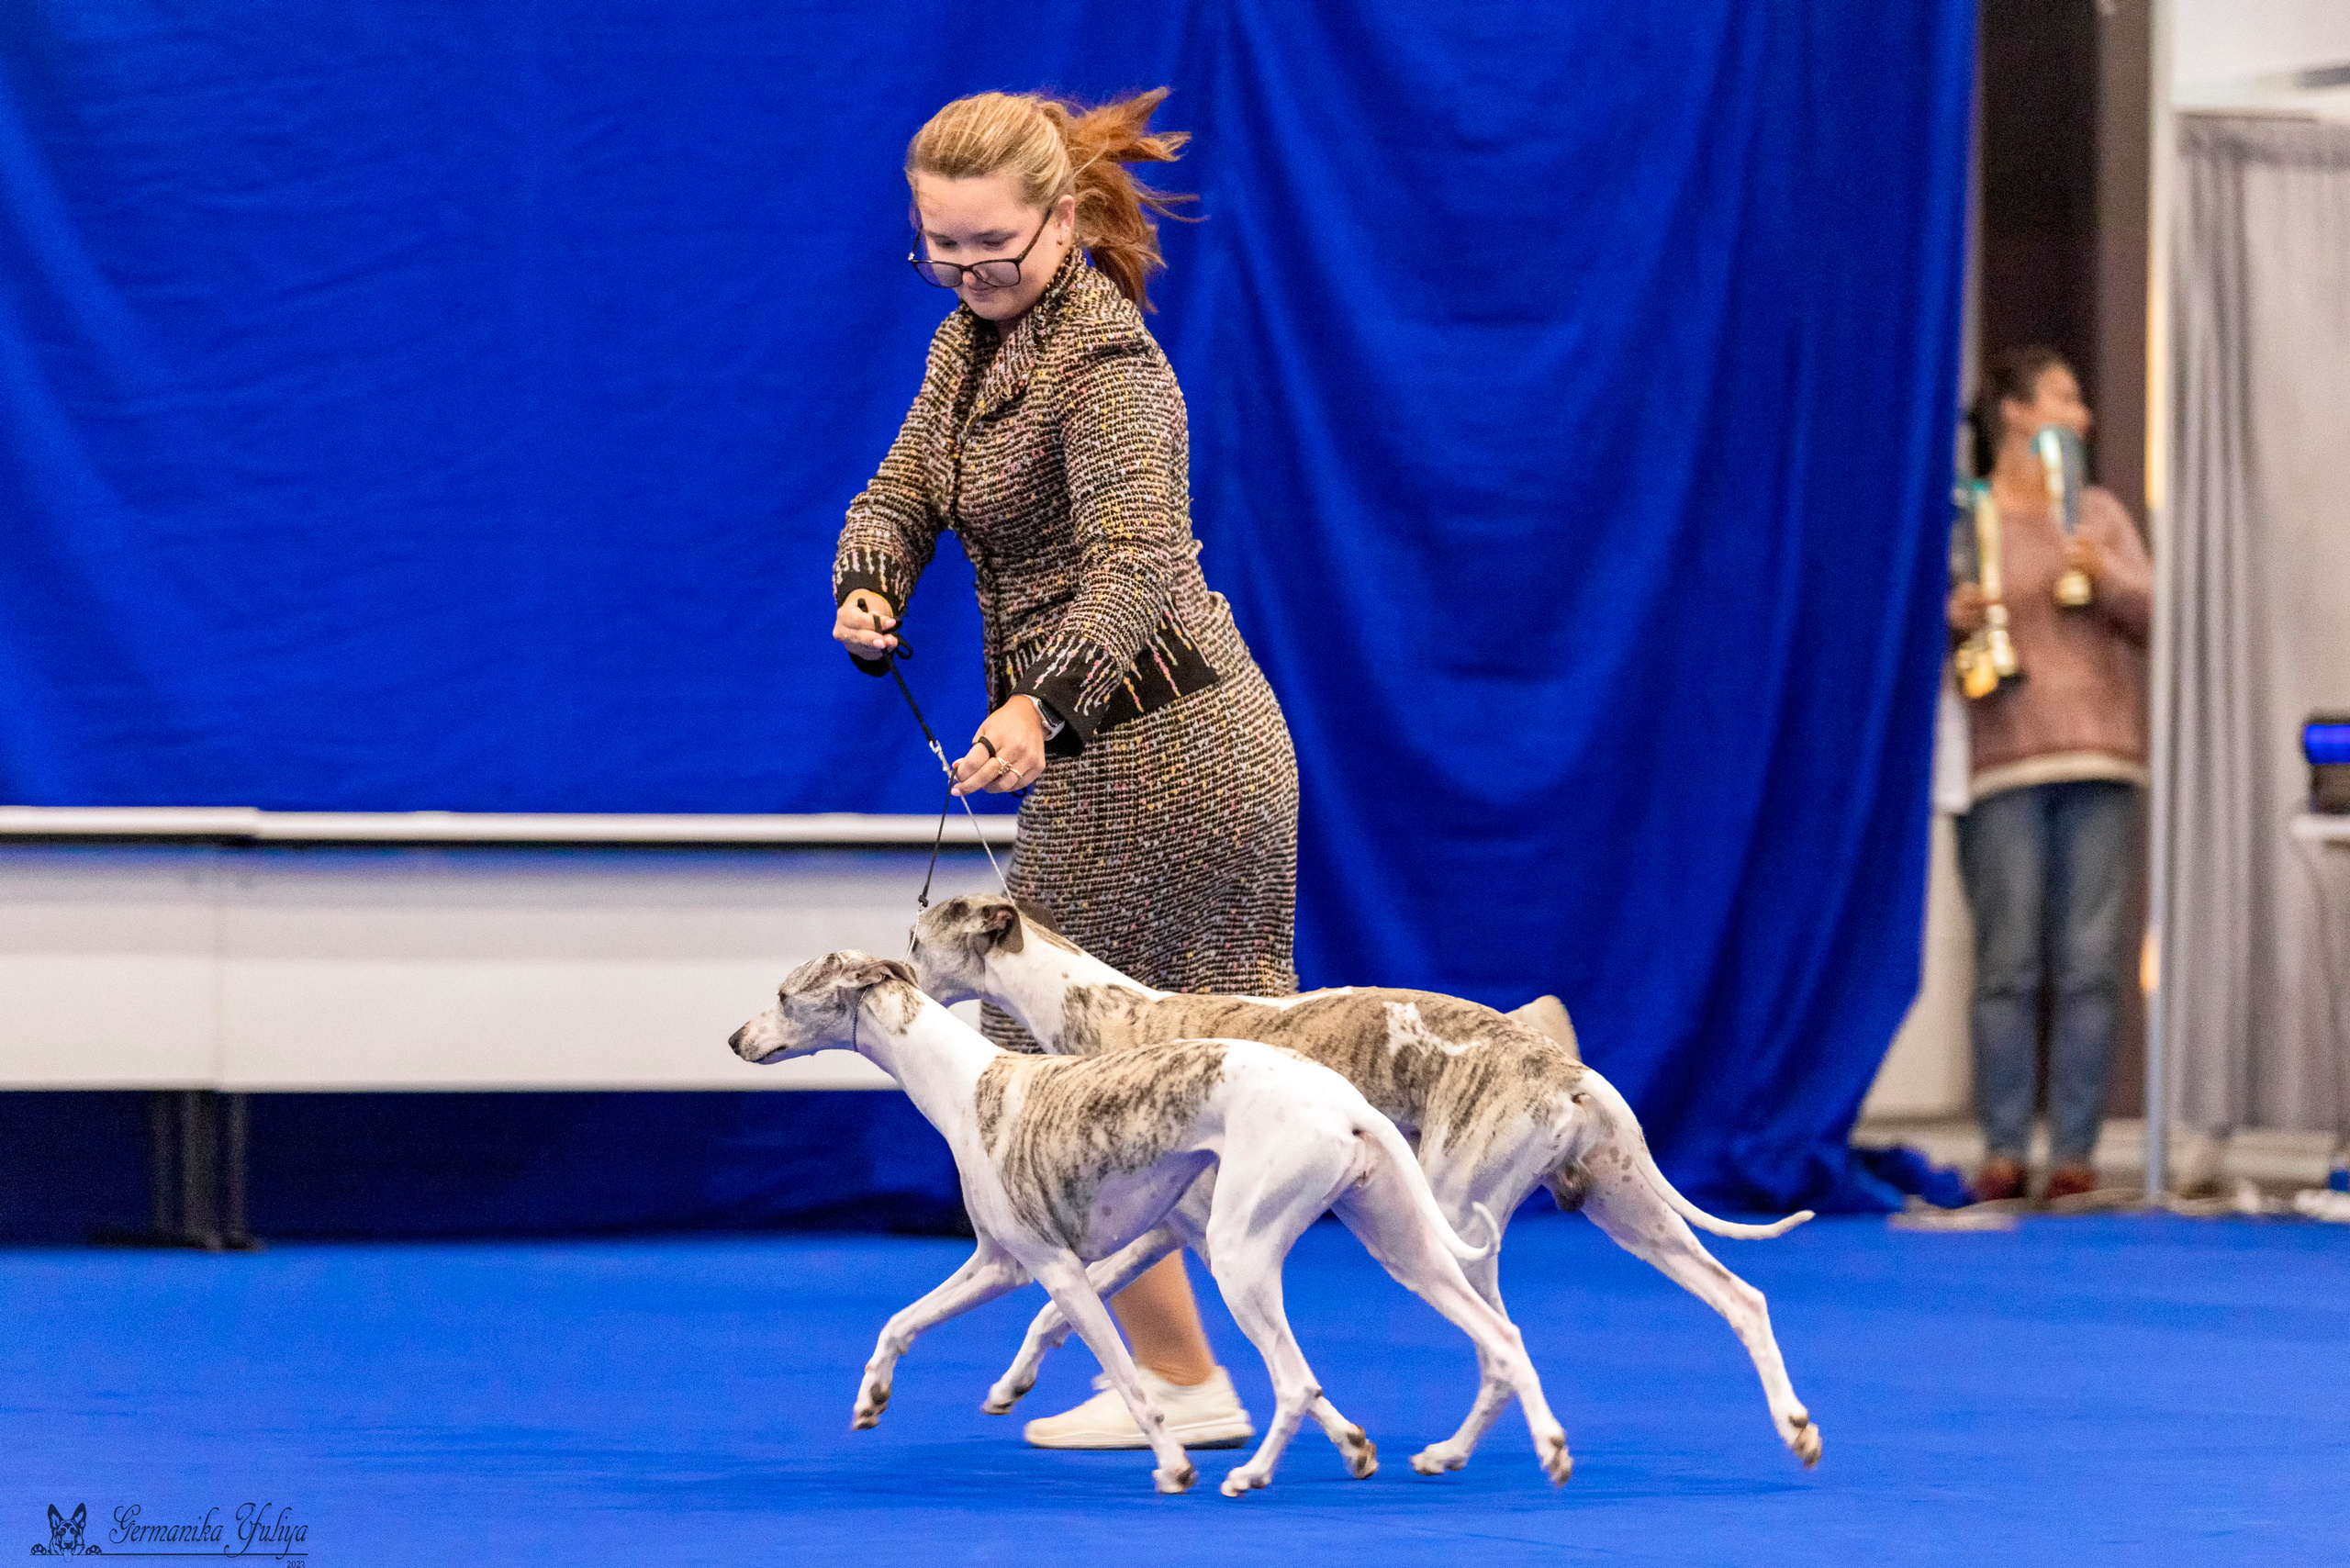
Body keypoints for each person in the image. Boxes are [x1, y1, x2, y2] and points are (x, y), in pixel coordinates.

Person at [829, 89, 1296, 1450]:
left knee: (1087, 1086)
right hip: (1102, 750)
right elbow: (903, 491)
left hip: (1174, 754)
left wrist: (1038, 703)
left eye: (994, 248)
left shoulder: (1111, 369)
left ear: (1066, 218)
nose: (969, 274)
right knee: (1140, 1078)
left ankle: (1186, 1385)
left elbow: (1141, 572)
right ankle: (1177, 1373)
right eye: (941, 250)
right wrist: (870, 583)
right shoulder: (970, 348)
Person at [1948, 346, 2151, 1203]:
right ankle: (2002, 1148)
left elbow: (2150, 608)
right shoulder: (1968, 515)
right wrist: (1952, 616)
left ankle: (2072, 1153)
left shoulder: (2097, 513)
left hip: (2100, 753)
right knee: (2008, 965)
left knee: (2090, 962)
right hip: (2002, 760)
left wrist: (2101, 571)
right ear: (2018, 412)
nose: (2084, 416)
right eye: (2066, 397)